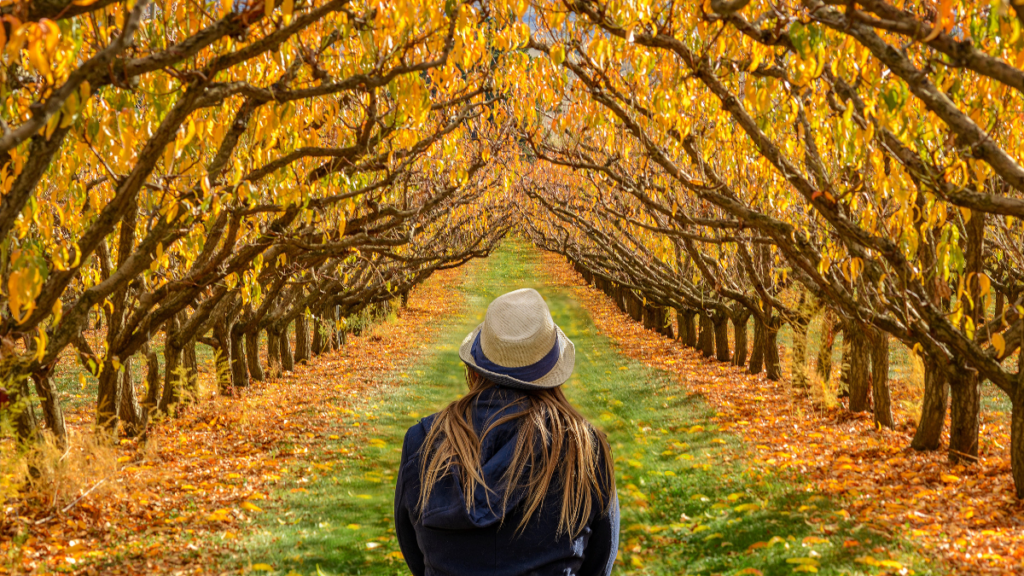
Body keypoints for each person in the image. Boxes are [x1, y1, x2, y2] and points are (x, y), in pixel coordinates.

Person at [394, 288, 619, 576]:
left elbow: (415, 553)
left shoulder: (422, 445)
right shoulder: (585, 450)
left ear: (475, 371)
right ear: (552, 378)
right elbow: (599, 564)